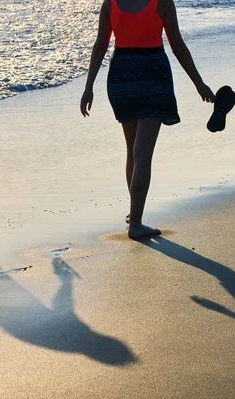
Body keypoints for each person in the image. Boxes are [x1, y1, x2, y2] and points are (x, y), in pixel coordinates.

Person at [80, 0, 215, 238]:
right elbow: (178, 46)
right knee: (142, 154)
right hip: (153, 73)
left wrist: (89, 86)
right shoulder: (162, 2)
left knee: (133, 151)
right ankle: (136, 225)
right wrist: (199, 83)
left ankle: (135, 213)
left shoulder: (111, 3)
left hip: (121, 74)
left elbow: (100, 46)